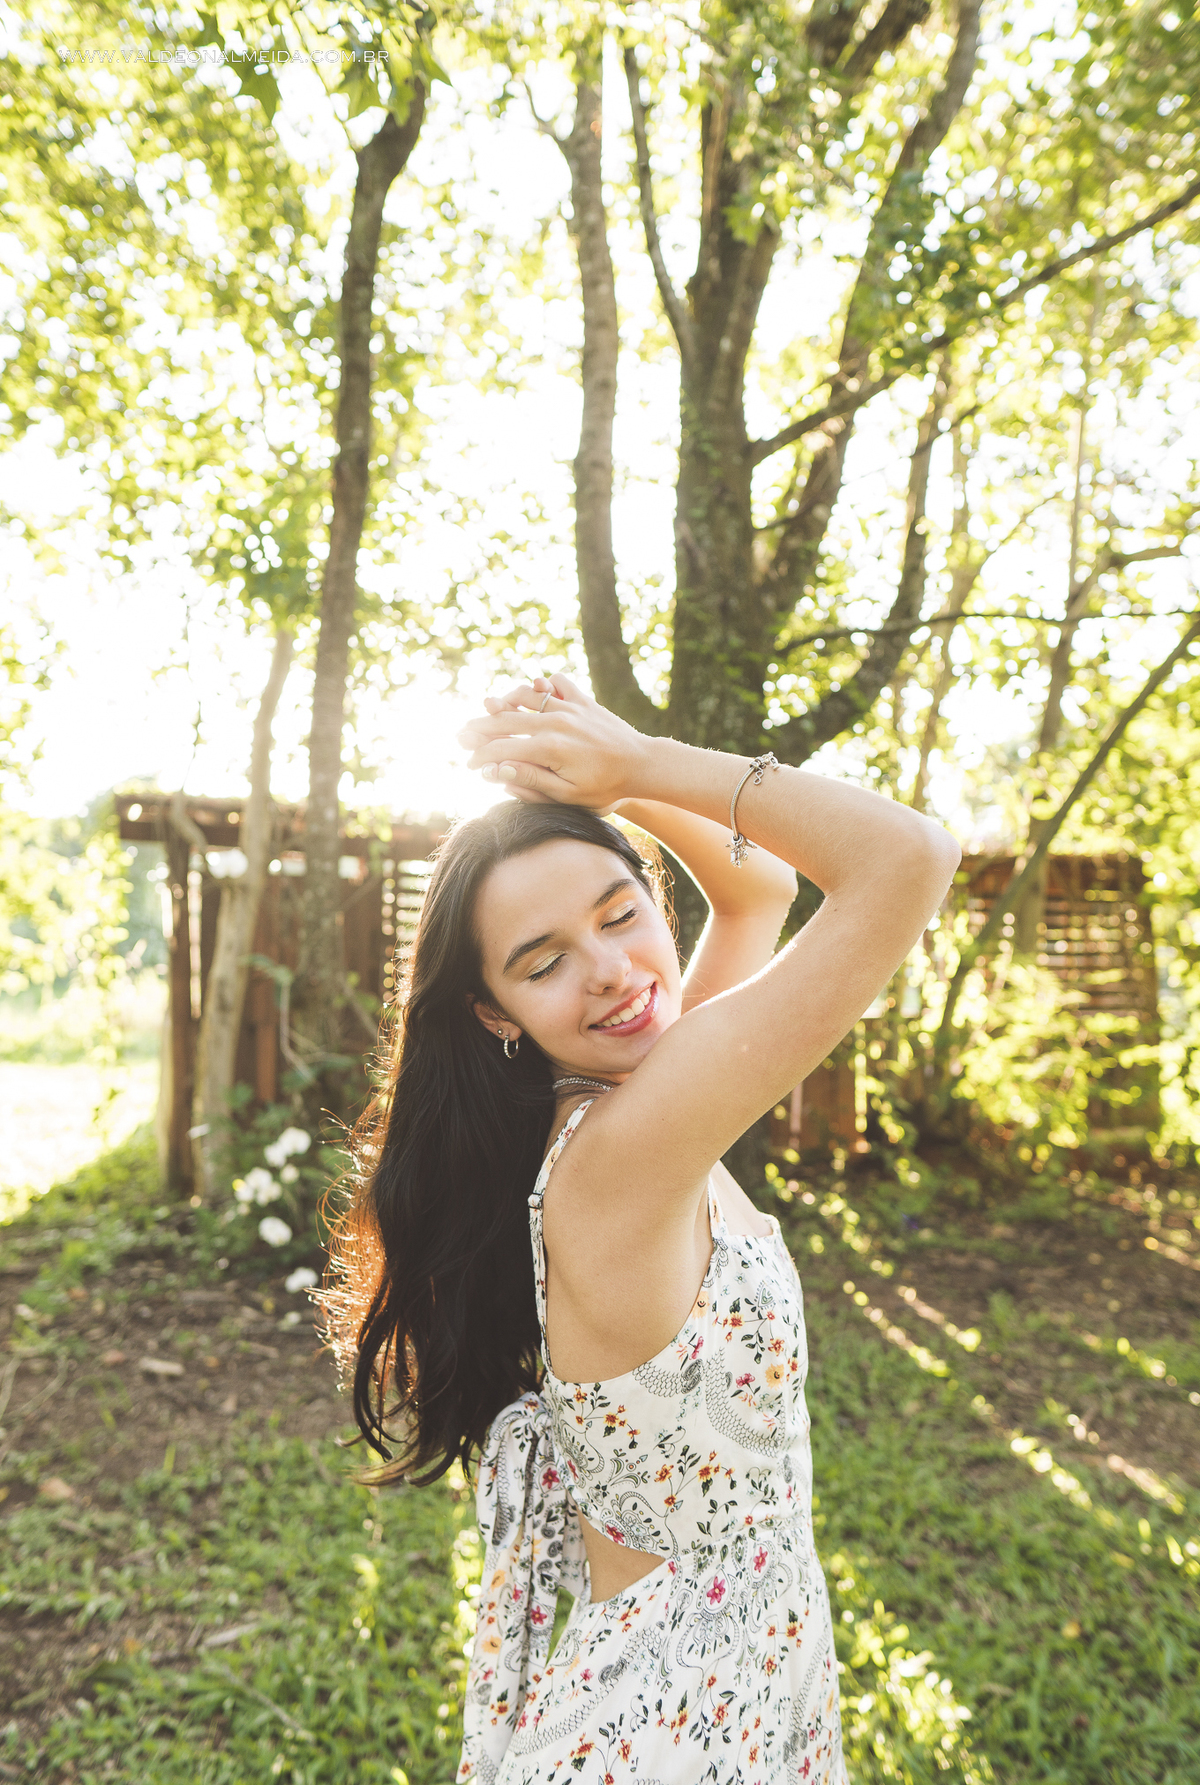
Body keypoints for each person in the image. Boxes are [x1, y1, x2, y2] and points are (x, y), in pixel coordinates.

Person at [322, 674, 961, 1784]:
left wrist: (596, 775)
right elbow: (908, 857)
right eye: (545, 962)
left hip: (723, 1691)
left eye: (622, 915)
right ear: (494, 1013)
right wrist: (643, 764)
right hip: (674, 1728)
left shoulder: (630, 1097)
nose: (614, 972)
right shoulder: (629, 1148)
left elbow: (755, 892)